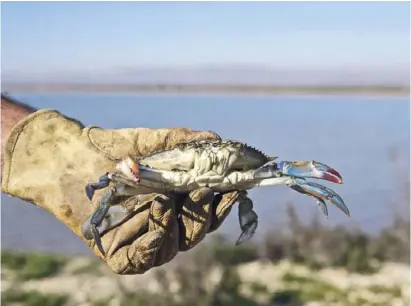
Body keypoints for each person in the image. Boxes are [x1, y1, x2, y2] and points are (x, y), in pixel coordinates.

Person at [1, 93, 240, 275]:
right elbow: (110, 181)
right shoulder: (126, 175)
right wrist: (54, 158)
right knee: (111, 199)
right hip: (142, 182)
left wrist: (42, 141)